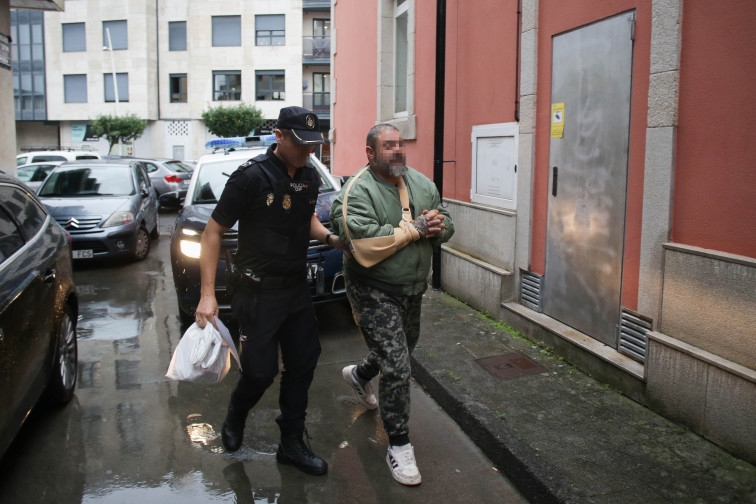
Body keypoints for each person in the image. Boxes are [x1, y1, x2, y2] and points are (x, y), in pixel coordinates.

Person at [195, 106, 346, 476]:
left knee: (303, 363)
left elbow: (306, 217)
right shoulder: (250, 178)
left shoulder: (309, 175)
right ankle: (236, 415)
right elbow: (212, 232)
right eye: (301, 144)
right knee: (260, 372)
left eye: (314, 145)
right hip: (257, 292)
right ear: (279, 136)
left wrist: (331, 238)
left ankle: (291, 442)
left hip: (295, 288)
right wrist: (207, 294)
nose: (308, 152)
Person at [329, 124, 454, 486]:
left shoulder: (423, 184)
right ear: (370, 153)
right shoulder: (356, 192)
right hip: (373, 289)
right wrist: (414, 228)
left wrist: (437, 228)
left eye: (400, 144)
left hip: (412, 288)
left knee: (400, 351)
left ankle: (360, 374)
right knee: (398, 366)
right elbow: (364, 242)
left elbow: (448, 223)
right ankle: (398, 444)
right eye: (388, 146)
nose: (398, 151)